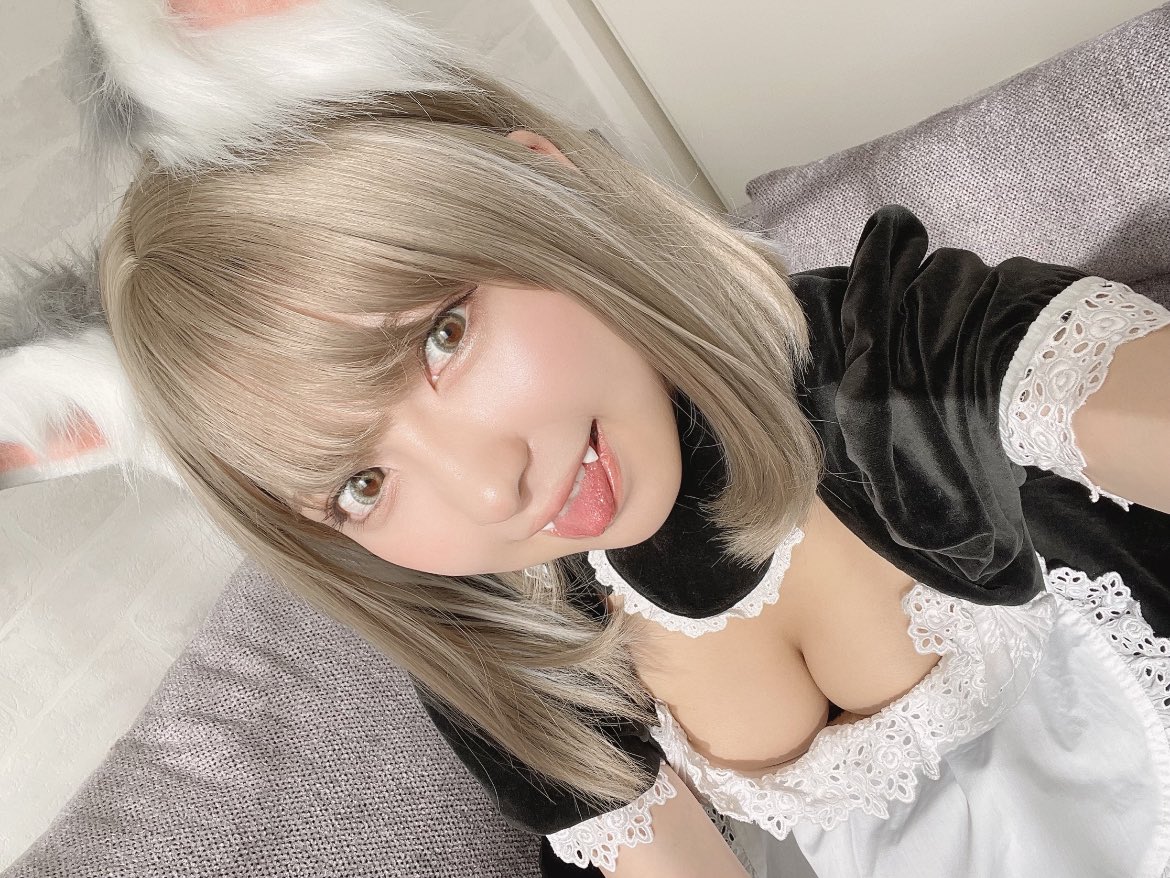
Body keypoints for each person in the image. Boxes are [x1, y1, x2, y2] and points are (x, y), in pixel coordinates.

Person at [82, 3, 1170, 877]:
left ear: (547, 186)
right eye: (360, 483)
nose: (491, 490)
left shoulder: (906, 357)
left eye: (442, 337)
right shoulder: (510, 643)